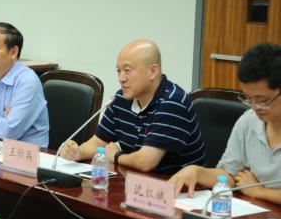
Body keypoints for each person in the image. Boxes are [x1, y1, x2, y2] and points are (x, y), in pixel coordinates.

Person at [61, 40, 205, 175]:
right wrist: (77, 153)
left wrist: (116, 156)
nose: (121, 78)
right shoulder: (121, 99)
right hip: (136, 181)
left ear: (153, 71)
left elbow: (145, 162)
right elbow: (98, 142)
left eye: (127, 70)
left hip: (178, 188)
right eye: (119, 71)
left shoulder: (173, 102)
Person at [170, 43, 281, 204]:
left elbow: (251, 189)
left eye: (262, 100)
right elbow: (229, 175)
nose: (255, 107)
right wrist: (197, 172)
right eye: (248, 99)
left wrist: (259, 191)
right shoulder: (249, 121)